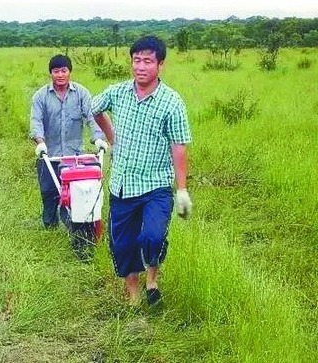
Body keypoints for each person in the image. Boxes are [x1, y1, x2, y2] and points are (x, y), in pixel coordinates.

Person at [91, 35, 193, 306]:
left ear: (161, 64)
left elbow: (179, 145)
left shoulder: (171, 102)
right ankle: (134, 297)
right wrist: (112, 137)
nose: (141, 66)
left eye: (148, 61)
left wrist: (182, 189)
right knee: (122, 245)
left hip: (156, 186)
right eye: (136, 60)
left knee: (153, 236)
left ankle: (152, 279)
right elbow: (95, 108)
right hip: (122, 184)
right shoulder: (118, 92)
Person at [29, 54, 107, 232]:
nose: (60, 75)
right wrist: (40, 143)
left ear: (69, 72)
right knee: (49, 194)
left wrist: (99, 139)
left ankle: (76, 229)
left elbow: (92, 117)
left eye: (63, 70)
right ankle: (50, 227)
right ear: (51, 74)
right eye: (56, 71)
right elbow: (36, 122)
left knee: (73, 196)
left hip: (74, 158)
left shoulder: (81, 94)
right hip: (49, 156)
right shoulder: (40, 96)